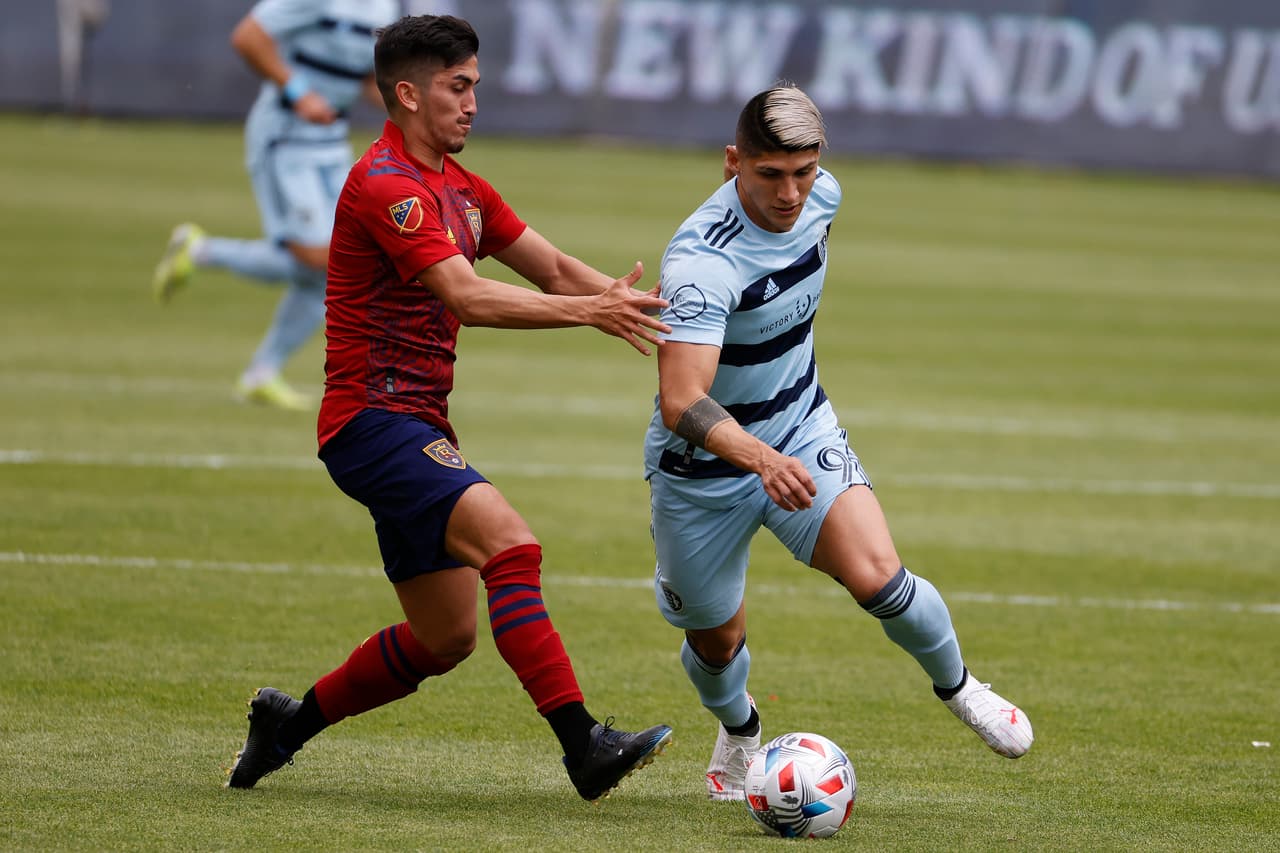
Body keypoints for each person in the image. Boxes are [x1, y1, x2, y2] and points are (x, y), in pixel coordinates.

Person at [226, 15, 674, 802]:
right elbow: (464, 296)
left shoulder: (463, 188)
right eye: (457, 87)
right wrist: (589, 313)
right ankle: (585, 748)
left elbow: (556, 266)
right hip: (370, 420)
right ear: (407, 94)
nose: (472, 103)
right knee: (511, 546)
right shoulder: (387, 185)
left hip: (414, 422)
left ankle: (285, 728)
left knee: (444, 636)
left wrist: (646, 310)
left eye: (475, 87)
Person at [644, 85, 1034, 802]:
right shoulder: (702, 262)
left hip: (801, 427)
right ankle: (739, 727)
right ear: (732, 163)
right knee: (716, 642)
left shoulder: (826, 198)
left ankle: (961, 687)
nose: (792, 192)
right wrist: (758, 458)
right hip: (702, 470)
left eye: (805, 169)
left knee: (880, 574)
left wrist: (781, 443)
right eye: (770, 174)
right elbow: (680, 400)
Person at [151, 0, 399, 410]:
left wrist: (420, 111)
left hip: (330, 144)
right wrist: (297, 90)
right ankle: (202, 252)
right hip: (283, 139)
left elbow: (369, 79)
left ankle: (260, 373)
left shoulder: (383, 6)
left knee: (342, 263)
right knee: (318, 258)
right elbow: (248, 37)